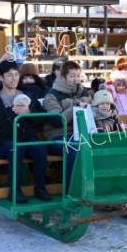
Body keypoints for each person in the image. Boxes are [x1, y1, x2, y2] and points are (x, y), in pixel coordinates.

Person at [0, 61, 52, 204]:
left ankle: (40, 187)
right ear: (1, 77)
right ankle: (15, 189)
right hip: (4, 140)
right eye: (10, 75)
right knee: (15, 148)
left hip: (26, 136)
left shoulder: (27, 96)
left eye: (17, 75)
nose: (14, 78)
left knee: (40, 148)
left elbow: (43, 117)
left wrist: (29, 112)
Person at [42, 60, 91, 190]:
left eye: (78, 76)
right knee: (75, 148)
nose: (76, 79)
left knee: (101, 143)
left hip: (81, 133)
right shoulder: (51, 96)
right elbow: (57, 120)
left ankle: (98, 184)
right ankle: (72, 187)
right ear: (63, 77)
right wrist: (75, 107)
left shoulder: (84, 93)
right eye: (72, 76)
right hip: (59, 135)